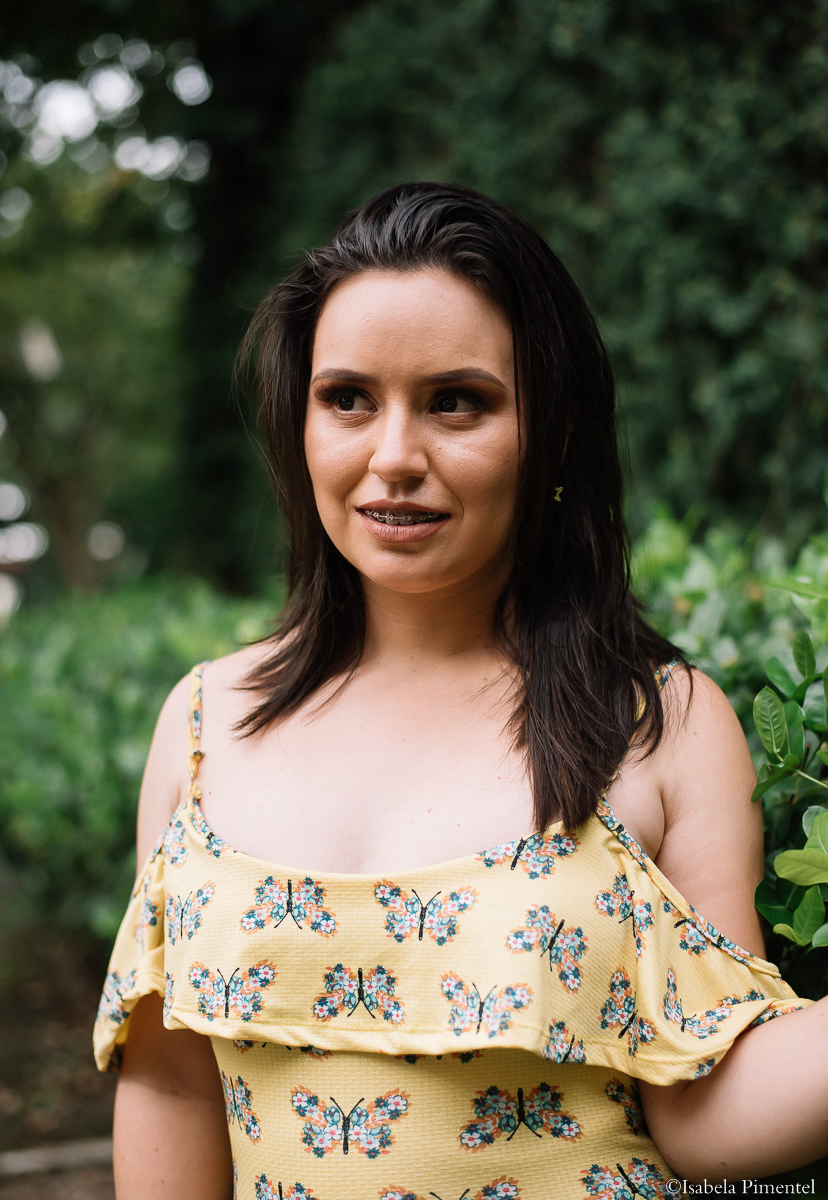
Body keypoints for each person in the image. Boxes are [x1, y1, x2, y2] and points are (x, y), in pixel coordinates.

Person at [94, 183, 826, 1200]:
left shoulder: (659, 721)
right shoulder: (208, 722)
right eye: (348, 399)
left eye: (456, 402)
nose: (394, 457)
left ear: (553, 432)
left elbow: (708, 1106)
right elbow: (173, 1086)